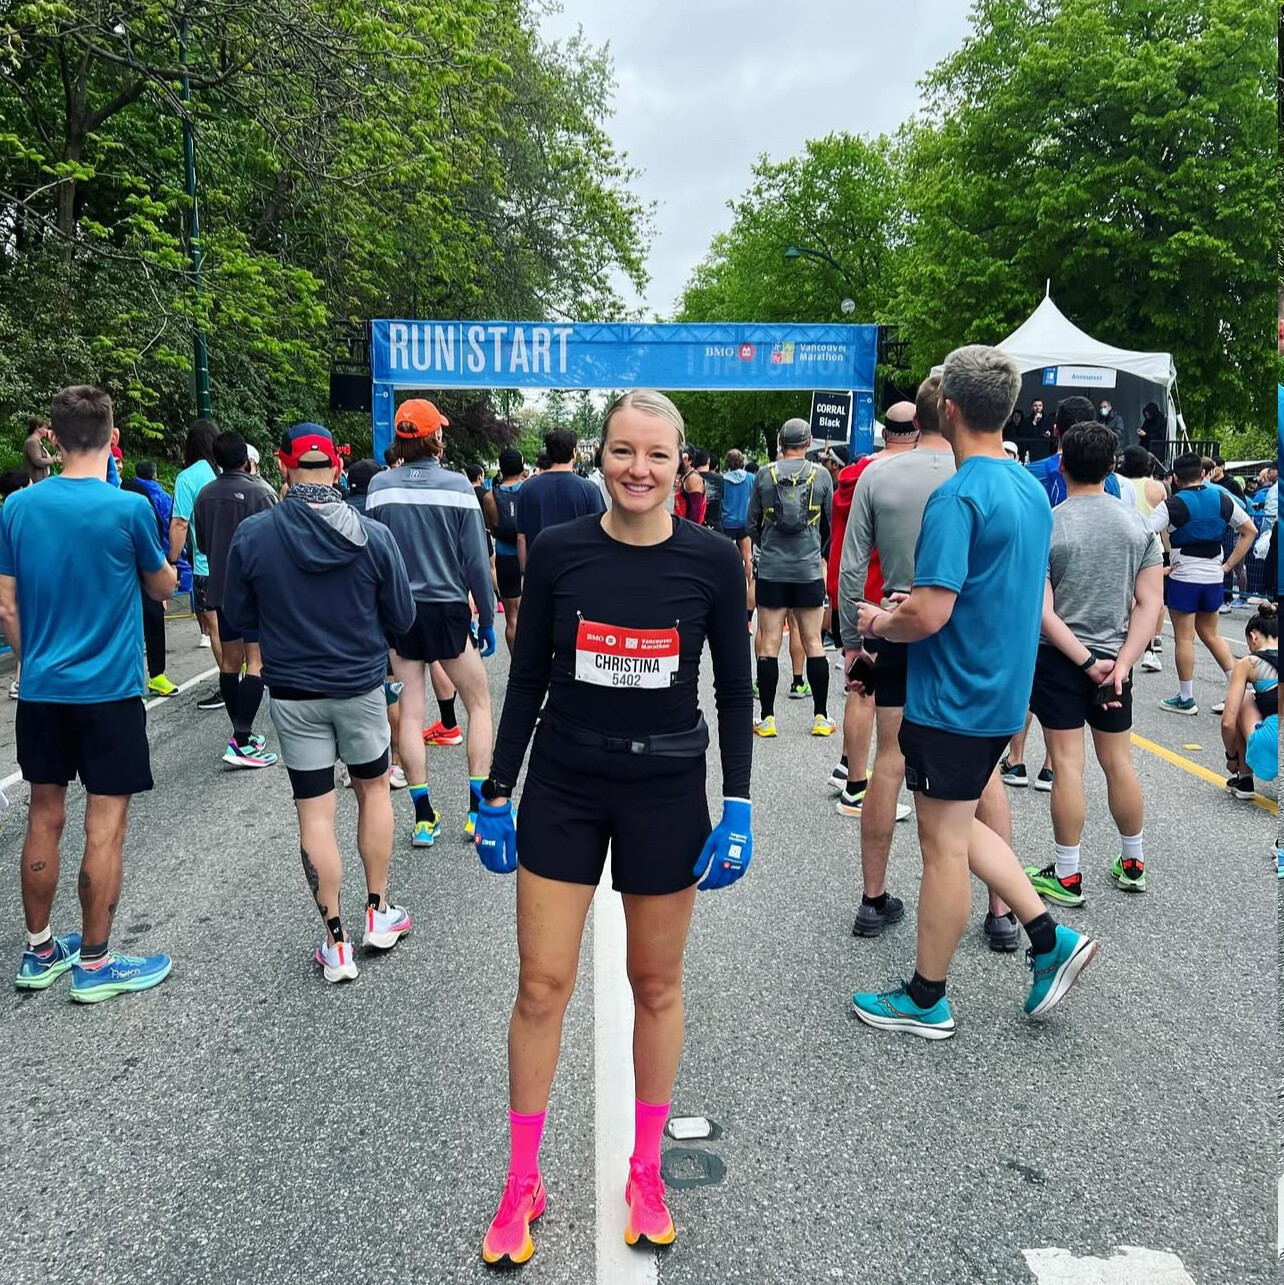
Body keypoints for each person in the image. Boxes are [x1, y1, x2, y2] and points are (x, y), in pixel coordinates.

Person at [472, 390, 752, 1264]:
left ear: (681, 464)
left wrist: (740, 801)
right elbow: (526, 680)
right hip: (565, 785)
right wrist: (496, 788)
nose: (639, 468)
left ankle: (646, 1170)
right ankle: (523, 1179)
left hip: (665, 793)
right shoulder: (560, 550)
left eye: (657, 454)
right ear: (600, 456)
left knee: (655, 983)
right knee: (540, 985)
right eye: (623, 450)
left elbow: (735, 689)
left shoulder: (712, 559)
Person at [852, 345, 1097, 1039]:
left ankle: (926, 997)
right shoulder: (1029, 489)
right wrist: (913, 606)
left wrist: (880, 621)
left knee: (943, 847)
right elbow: (989, 589)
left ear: (950, 408)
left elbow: (930, 613)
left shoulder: (957, 497)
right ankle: (1048, 937)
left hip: (951, 695)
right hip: (1001, 693)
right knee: (959, 827)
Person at [0, 386, 175, 1001]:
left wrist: (33, 663)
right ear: (111, 436)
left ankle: (40, 949)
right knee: (105, 820)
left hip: (42, 690)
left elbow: (6, 605)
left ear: (52, 436)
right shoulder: (128, 509)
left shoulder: (17, 507)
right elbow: (161, 587)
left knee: (43, 813)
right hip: (109, 692)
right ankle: (96, 963)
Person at [223, 422, 415, 983]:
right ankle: (378, 912)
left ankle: (336, 943)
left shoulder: (254, 536)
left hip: (292, 691)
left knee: (314, 812)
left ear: (282, 464)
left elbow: (237, 616)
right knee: (373, 790)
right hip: (359, 688)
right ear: (336, 466)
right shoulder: (373, 535)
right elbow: (403, 618)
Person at [1022, 421, 1164, 905]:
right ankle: (1133, 862)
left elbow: (1042, 610)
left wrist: (1084, 662)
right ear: (1111, 467)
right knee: (1118, 761)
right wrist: (1121, 664)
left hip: (1060, 660)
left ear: (1061, 463)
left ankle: (1067, 874)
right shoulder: (1138, 526)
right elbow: (1150, 604)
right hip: (1116, 658)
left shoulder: (1049, 524)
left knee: (1067, 765)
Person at [839, 379, 955, 938]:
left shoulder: (875, 475)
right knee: (979, 770)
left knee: (889, 758)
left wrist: (852, 644)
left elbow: (850, 566)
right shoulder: (980, 474)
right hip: (961, 632)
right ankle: (1000, 913)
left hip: (890, 623)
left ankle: (872, 898)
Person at [365, 399, 497, 843]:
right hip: (447, 609)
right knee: (478, 704)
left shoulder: (379, 487)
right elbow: (475, 561)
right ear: (435, 437)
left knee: (411, 715)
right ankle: (476, 812)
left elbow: (370, 557)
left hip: (399, 612)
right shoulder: (458, 486)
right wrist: (487, 616)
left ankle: (423, 818)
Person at [830, 408, 920, 811]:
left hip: (850, 590)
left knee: (859, 686)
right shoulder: (903, 476)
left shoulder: (853, 475)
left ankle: (848, 767)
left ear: (885, 433)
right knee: (875, 695)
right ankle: (858, 787)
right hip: (885, 595)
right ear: (916, 431)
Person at [193, 430, 279, 768]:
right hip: (255, 591)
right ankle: (242, 740)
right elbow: (276, 542)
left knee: (230, 662)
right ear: (246, 459)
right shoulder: (262, 493)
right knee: (256, 661)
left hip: (221, 588)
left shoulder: (205, 495)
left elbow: (202, 544)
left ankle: (241, 732)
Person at [747, 418, 835, 738]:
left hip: (772, 570)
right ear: (808, 442)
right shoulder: (822, 475)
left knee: (769, 643)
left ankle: (767, 718)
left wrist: (768, 546)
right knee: (813, 642)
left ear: (781, 443)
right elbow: (829, 524)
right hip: (808, 570)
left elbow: (751, 524)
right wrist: (816, 551)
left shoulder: (764, 474)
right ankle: (821, 717)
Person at [1150, 452, 1256, 716]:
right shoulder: (1221, 498)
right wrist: (1228, 565)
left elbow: (1143, 533)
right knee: (1211, 633)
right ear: (1203, 474)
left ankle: (1186, 698)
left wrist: (1158, 568)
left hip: (1184, 575)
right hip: (1214, 576)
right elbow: (1250, 530)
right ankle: (1239, 689)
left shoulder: (1172, 504)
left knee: (1184, 637)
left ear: (1175, 478)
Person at [169, 419, 223, 696]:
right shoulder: (226, 471)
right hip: (236, 562)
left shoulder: (187, 478)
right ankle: (248, 677)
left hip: (205, 565)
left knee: (215, 627)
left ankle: (229, 685)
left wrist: (171, 560)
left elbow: (180, 523)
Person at [516, 430, 605, 570]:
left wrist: (524, 572)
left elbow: (521, 537)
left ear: (548, 453)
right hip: (577, 569)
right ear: (574, 452)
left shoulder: (527, 489)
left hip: (540, 568)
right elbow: (600, 534)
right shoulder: (589, 490)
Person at [1118, 446, 1171, 673]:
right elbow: (1165, 524)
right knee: (1153, 599)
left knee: (1127, 596)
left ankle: (1124, 642)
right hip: (1152, 545)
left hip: (1125, 543)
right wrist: (1168, 551)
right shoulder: (1157, 488)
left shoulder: (1118, 483)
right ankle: (1150, 648)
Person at [1220, 604, 1277, 800]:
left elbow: (1228, 723)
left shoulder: (1249, 663)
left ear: (1253, 638)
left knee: (1243, 698)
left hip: (1274, 745)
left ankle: (1244, 780)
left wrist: (1232, 757)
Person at [483, 447, 526, 653]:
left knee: (512, 617)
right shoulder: (530, 490)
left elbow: (490, 528)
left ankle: (516, 663)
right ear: (521, 467)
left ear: (501, 468)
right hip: (530, 554)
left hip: (505, 557)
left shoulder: (490, 497)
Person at [720, 448, 754, 617]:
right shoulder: (750, 478)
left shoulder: (723, 480)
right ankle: (749, 586)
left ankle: (726, 587)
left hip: (727, 522)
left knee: (725, 557)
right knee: (747, 556)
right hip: (744, 521)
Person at [673, 447, 706, 523]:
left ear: (689, 461)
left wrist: (689, 529)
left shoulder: (693, 479)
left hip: (687, 526)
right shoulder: (685, 477)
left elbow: (696, 511)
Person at [695, 449, 723, 531]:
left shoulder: (689, 477)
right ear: (708, 461)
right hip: (715, 525)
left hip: (695, 524)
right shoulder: (719, 479)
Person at [24, 418, 59, 483]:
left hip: (42, 480)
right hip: (36, 481)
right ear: (38, 428)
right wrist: (54, 460)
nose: (47, 431)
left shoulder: (37, 441)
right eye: (45, 428)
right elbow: (38, 461)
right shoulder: (32, 442)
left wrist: (54, 458)